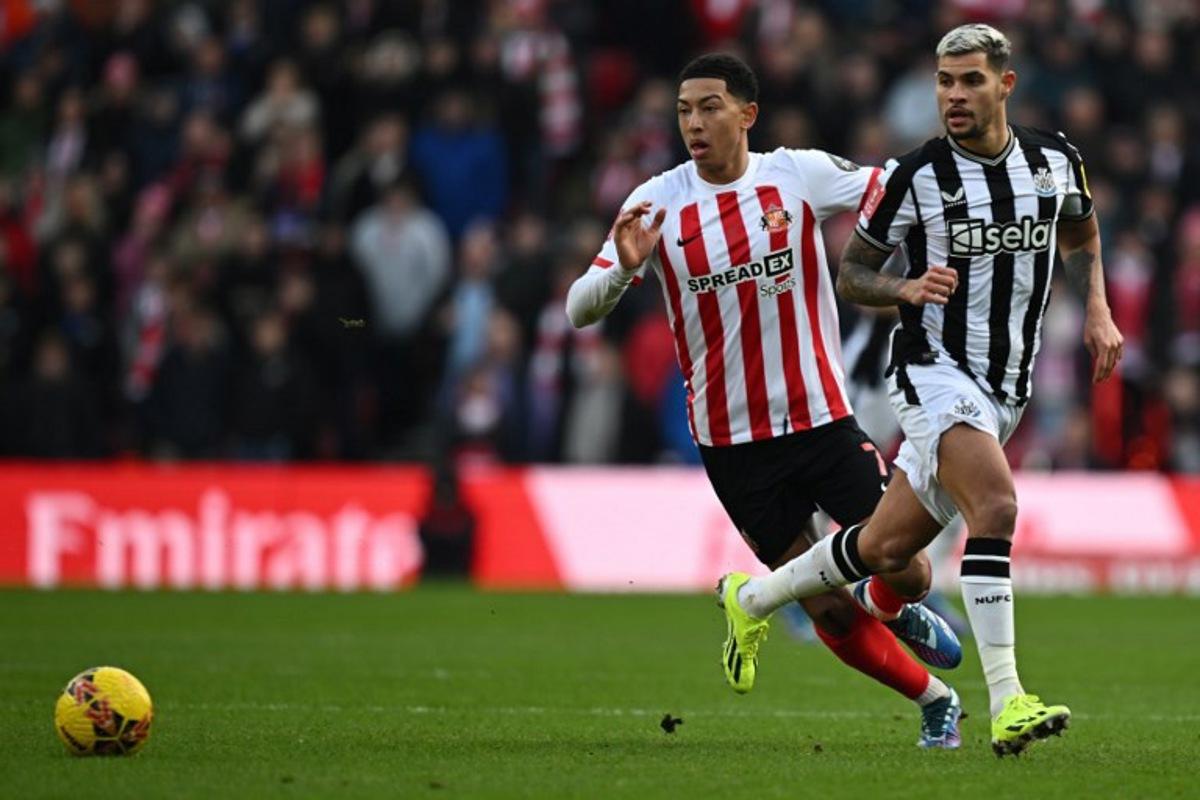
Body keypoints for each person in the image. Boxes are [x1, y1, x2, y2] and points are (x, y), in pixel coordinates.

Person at [718, 25, 1124, 756]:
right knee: (995, 505)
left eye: (970, 81)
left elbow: (1081, 233)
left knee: (886, 547)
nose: (954, 96)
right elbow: (853, 271)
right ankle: (1008, 700)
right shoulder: (917, 176)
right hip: (933, 368)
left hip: (1006, 384)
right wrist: (904, 284)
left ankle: (751, 600)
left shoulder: (1056, 161)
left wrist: (1096, 307)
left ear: (1005, 83)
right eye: (944, 82)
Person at [566, 53, 964, 749]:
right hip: (733, 446)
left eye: (710, 107)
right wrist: (624, 271)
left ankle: (892, 602)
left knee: (911, 566)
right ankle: (935, 702)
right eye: (685, 109)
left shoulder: (796, 175)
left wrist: (925, 245)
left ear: (747, 115)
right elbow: (578, 308)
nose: (695, 122)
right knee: (828, 614)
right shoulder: (657, 202)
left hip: (821, 421)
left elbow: (889, 190)